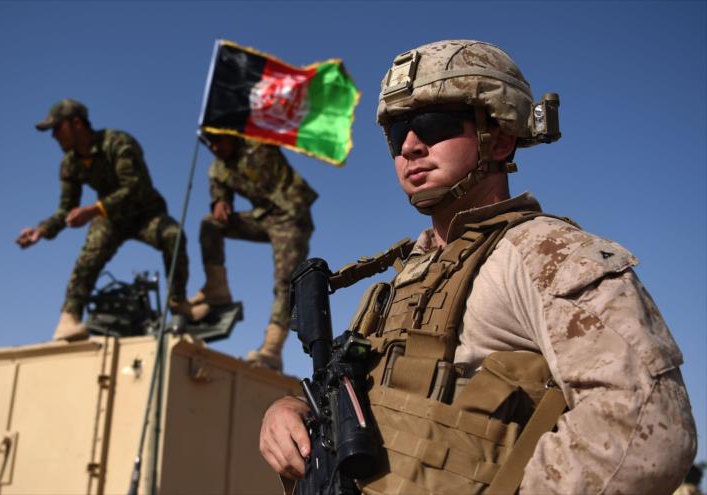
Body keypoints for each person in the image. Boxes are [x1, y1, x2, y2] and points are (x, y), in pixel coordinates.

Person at [259, 40, 697, 493]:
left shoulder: (544, 254)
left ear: (500, 136)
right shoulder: (404, 278)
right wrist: (290, 411)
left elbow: (645, 428)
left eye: (433, 124)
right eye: (397, 132)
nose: (409, 145)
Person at [17, 99, 192, 341]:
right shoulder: (70, 164)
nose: (54, 136)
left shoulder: (118, 143)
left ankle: (177, 303)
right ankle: (69, 319)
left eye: (57, 128)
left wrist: (94, 209)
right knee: (89, 258)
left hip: (145, 214)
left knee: (173, 236)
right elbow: (67, 209)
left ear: (76, 124)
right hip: (111, 218)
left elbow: (135, 187)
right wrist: (42, 230)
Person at [193, 133, 317, 371]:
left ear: (230, 135)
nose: (214, 147)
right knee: (210, 224)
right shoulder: (217, 170)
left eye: (218, 140)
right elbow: (220, 196)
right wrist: (219, 203)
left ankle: (272, 348)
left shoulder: (258, 142)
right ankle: (217, 288)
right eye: (209, 143)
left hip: (292, 217)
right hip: (263, 219)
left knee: (285, 280)